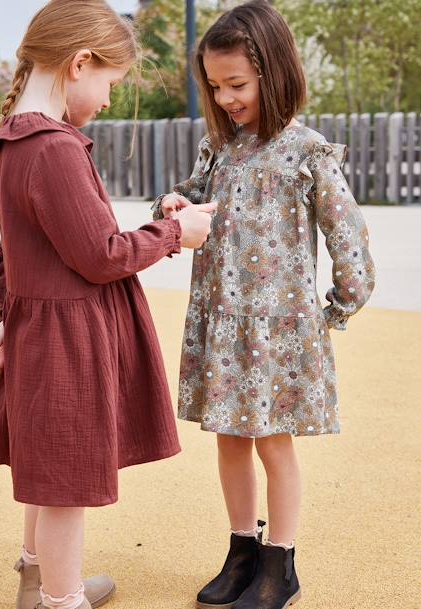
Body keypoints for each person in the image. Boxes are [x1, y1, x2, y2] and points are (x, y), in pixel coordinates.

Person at [0, 2, 216, 609]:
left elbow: (23, 251)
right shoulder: (53, 147)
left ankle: (39, 581)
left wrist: (9, 318)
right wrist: (175, 236)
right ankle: (63, 599)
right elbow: (100, 256)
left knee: (48, 468)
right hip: (67, 336)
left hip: (40, 324)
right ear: (79, 63)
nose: (108, 101)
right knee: (67, 482)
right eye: (109, 83)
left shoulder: (10, 142)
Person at [152, 1, 375, 607]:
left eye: (237, 85)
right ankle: (241, 550)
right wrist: (171, 206)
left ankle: (281, 562)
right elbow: (192, 197)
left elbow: (347, 232)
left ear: (273, 73)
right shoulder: (219, 148)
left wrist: (339, 305)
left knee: (275, 444)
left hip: (278, 329)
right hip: (224, 327)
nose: (225, 98)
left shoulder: (307, 150)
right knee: (229, 441)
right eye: (216, 86)